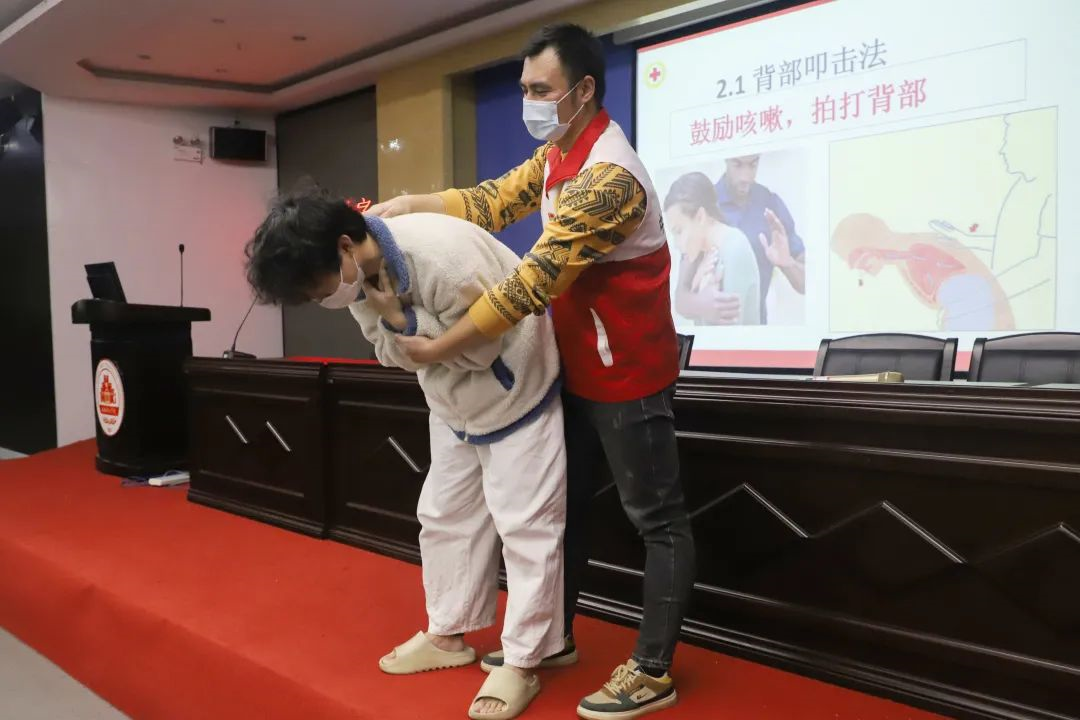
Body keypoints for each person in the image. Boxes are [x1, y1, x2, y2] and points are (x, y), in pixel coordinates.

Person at [369, 23, 695, 720]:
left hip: (629, 376)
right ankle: (554, 639)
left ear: (583, 90)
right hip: (572, 369)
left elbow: (533, 283)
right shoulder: (557, 153)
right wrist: (406, 208)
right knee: (562, 512)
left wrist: (438, 347)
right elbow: (490, 202)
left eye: (540, 89)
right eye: (524, 89)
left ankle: (652, 669)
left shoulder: (610, 177)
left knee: (658, 521)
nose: (529, 102)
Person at [244, 187, 567, 720]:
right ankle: (447, 634)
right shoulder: (358, 280)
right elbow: (392, 356)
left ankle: (524, 660)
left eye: (316, 289)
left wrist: (403, 320)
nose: (322, 300)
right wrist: (398, 327)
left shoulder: (442, 258)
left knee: (527, 528)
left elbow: (481, 349)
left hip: (516, 391)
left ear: (344, 246)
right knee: (443, 516)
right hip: (453, 404)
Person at [714, 155, 807, 323]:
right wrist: (704, 304)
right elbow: (682, 297)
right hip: (712, 333)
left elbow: (805, 284)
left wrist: (788, 263)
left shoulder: (771, 204)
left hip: (757, 330)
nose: (745, 177)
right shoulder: (706, 204)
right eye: (737, 165)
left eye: (753, 165)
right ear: (726, 159)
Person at [664, 172, 761, 326]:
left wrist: (700, 298)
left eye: (679, 231)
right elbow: (680, 301)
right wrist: (699, 299)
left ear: (700, 217)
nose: (676, 244)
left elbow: (730, 334)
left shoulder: (734, 249)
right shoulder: (697, 253)